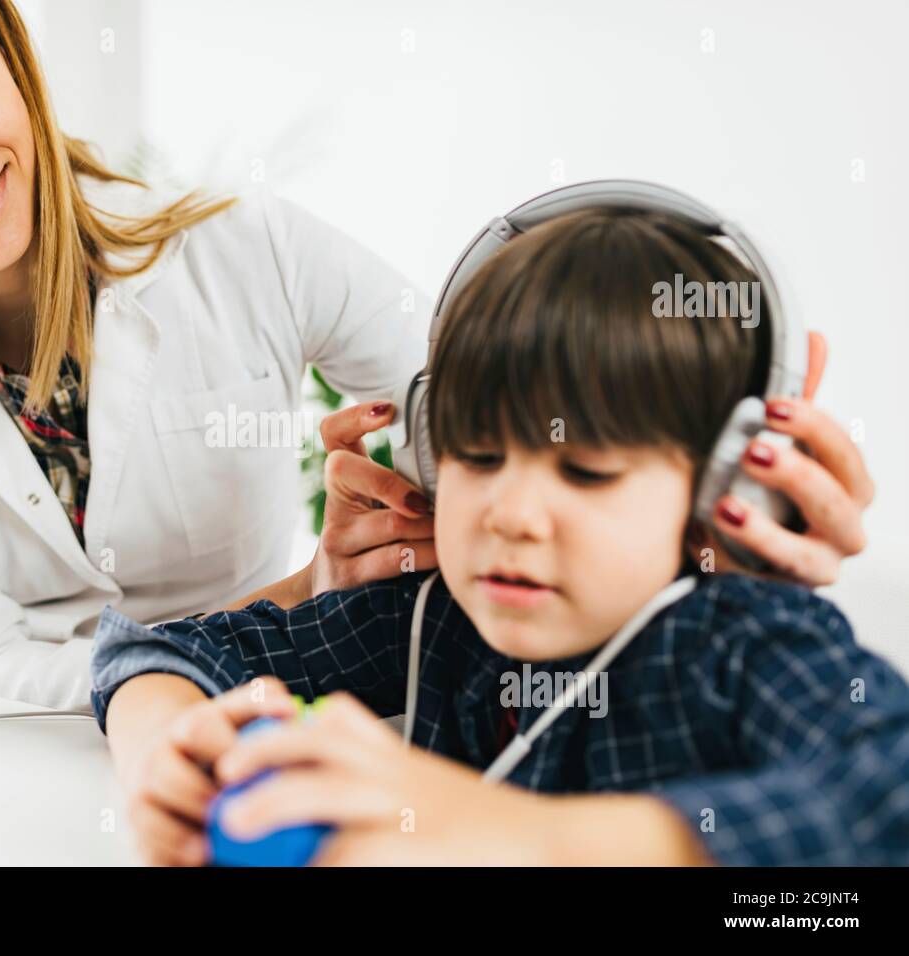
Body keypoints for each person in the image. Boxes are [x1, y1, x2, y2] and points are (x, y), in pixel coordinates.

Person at [0, 0, 873, 713]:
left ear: (8, 47)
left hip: (271, 699)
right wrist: (285, 599)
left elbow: (467, 402)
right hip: (23, 754)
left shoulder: (237, 243)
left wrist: (694, 520)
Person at [92, 207, 906, 866]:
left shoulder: (739, 643)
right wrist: (166, 751)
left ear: (722, 485)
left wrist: (510, 833)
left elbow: (886, 791)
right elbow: (150, 650)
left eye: (586, 471)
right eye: (477, 457)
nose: (510, 514)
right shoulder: (435, 617)